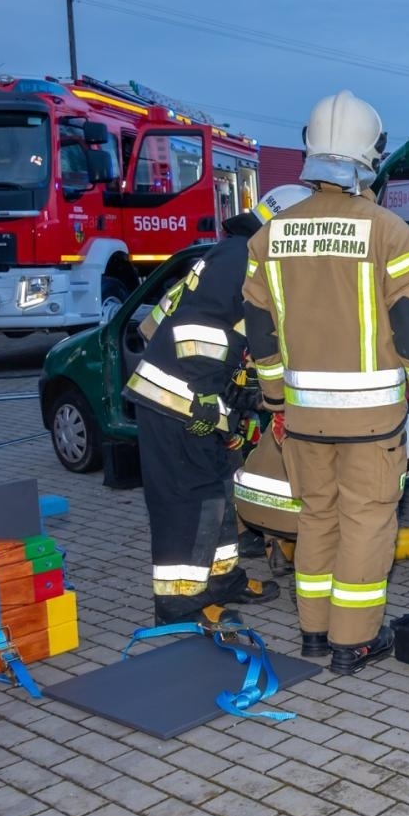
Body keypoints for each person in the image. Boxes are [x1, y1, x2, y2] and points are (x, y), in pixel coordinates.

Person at [243, 90, 409, 675]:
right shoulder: (390, 233)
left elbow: (261, 334)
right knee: (367, 521)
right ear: (370, 156)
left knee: (316, 519)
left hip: (302, 419)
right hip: (371, 424)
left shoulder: (270, 237)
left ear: (311, 149)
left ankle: (313, 634)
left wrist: (275, 401)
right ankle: (353, 642)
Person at [123, 213, 281, 627]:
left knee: (217, 493)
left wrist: (235, 395)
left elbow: (152, 323)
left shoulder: (228, 253)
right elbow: (202, 332)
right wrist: (210, 398)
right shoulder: (246, 259)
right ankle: (181, 605)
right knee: (186, 501)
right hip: (181, 405)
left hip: (197, 402)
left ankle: (223, 580)